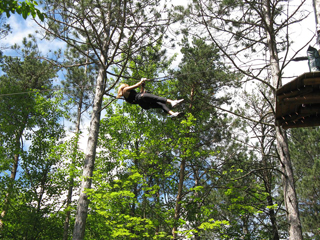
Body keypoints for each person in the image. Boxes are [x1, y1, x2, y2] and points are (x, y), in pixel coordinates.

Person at [116, 78, 184, 117]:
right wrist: (141, 80)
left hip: (144, 104)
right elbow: (136, 85)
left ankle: (173, 114)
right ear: (124, 87)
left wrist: (142, 86)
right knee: (157, 98)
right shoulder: (125, 90)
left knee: (161, 104)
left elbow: (140, 94)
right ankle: (172, 102)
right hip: (141, 98)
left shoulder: (127, 99)